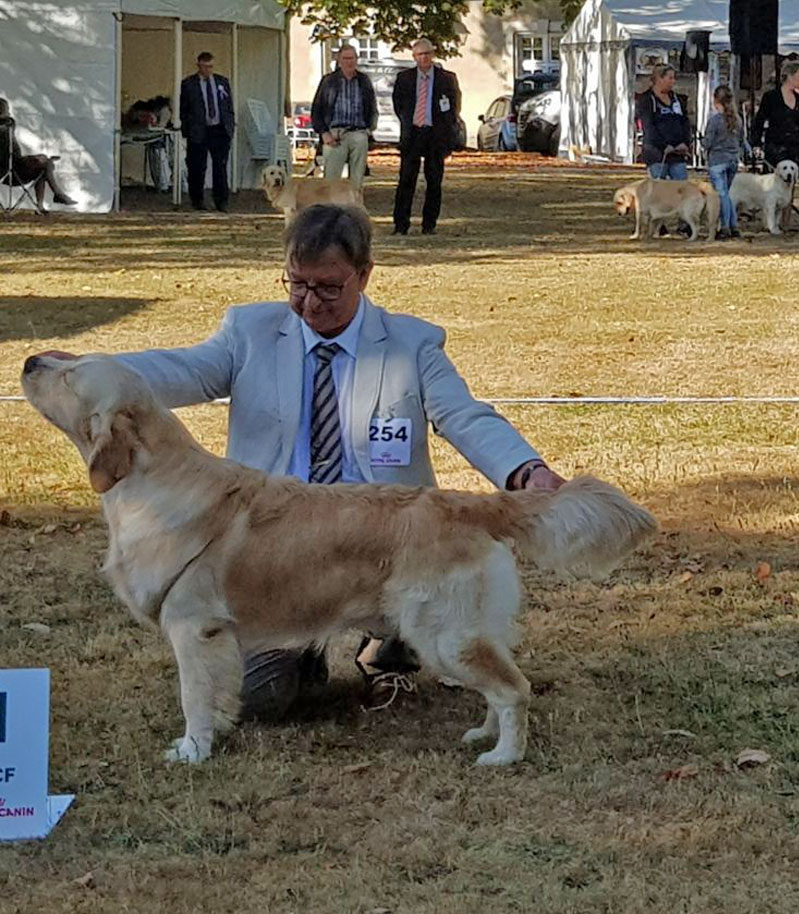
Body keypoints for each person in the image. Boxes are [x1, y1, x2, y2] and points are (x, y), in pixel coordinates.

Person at [111, 204, 565, 719]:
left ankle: (391, 649)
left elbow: (465, 416)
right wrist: (99, 370)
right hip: (279, 551)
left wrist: (526, 471)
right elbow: (182, 370)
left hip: (387, 543)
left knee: (433, 614)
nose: (309, 304)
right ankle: (303, 650)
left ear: (365, 274)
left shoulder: (410, 344)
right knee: (260, 701)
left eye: (328, 288)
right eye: (297, 285)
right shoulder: (248, 332)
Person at [392, 38, 461, 235]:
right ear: (414, 57)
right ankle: (401, 225)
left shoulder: (446, 79)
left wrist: (447, 133)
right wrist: (408, 121)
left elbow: (453, 107)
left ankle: (429, 225)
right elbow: (399, 104)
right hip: (413, 134)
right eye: (420, 54)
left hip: (435, 135)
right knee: (406, 181)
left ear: (433, 54)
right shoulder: (404, 78)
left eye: (428, 53)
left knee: (434, 182)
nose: (424, 58)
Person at [311, 44, 378, 189]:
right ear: (339, 60)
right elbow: (316, 109)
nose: (349, 62)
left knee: (356, 181)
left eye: (352, 58)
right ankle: (330, 209)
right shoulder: (329, 81)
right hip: (335, 133)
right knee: (331, 181)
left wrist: (369, 130)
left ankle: (353, 209)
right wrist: (324, 133)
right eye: (345, 58)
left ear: (357, 60)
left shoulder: (364, 81)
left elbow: (372, 108)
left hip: (358, 132)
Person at [636, 64, 692, 236]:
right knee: (658, 191)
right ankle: (658, 225)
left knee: (682, 188)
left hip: (677, 153)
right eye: (670, 78)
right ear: (659, 79)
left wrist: (685, 142)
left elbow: (684, 122)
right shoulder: (647, 100)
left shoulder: (676, 99)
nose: (673, 82)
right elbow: (649, 127)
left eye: (674, 78)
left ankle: (685, 224)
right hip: (657, 153)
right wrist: (663, 145)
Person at [179, 51, 235, 212]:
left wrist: (229, 126)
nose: (208, 70)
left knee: (220, 167)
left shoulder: (221, 82)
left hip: (219, 130)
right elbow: (184, 109)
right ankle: (197, 200)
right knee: (197, 167)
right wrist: (188, 129)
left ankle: (221, 201)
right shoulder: (189, 84)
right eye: (205, 67)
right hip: (199, 130)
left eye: (211, 67)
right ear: (199, 66)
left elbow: (228, 105)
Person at [0, 97, 76, 210]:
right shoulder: (6, 124)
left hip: (17, 165)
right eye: (7, 109)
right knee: (45, 163)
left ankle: (43, 203)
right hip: (6, 170)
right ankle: (57, 195)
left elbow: (6, 126)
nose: (9, 112)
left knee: (44, 164)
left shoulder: (9, 122)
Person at [751, 59, 799, 179]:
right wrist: (756, 143)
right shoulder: (771, 97)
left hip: (796, 150)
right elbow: (759, 120)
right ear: (790, 77)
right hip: (776, 149)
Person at [702, 85, 744, 240]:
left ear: (715, 100)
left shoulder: (715, 120)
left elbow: (708, 142)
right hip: (733, 160)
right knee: (727, 194)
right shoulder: (737, 119)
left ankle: (725, 226)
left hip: (717, 161)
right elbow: (741, 140)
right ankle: (734, 226)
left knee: (722, 195)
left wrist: (702, 143)